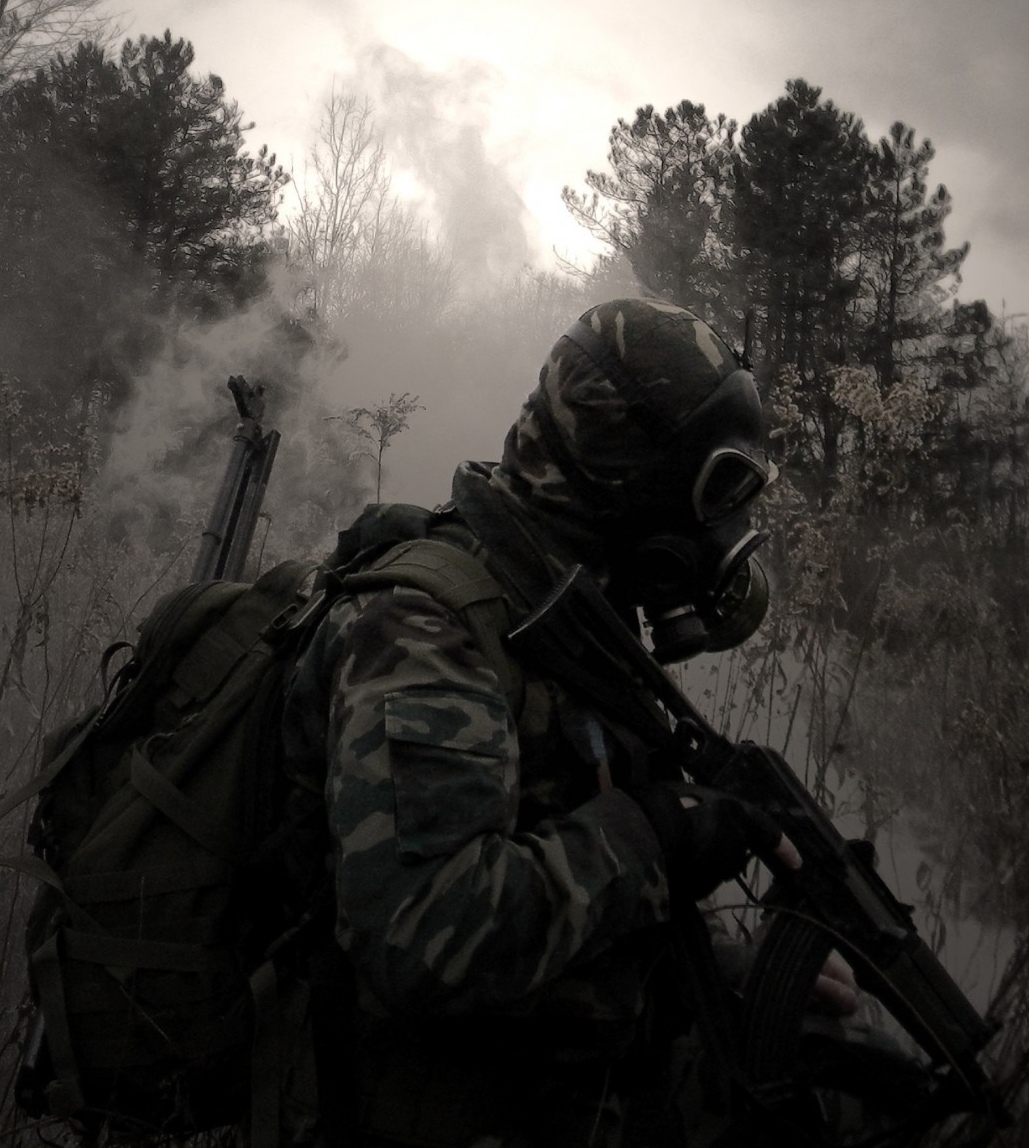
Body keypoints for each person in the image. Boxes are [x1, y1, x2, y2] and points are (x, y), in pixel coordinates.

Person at [281, 298, 855, 1147]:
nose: (725, 527)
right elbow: (422, 935)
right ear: (621, 474)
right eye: (715, 487)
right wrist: (656, 833)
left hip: (561, 1079)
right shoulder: (425, 629)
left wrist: (725, 972)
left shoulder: (564, 610)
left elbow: (564, 857)